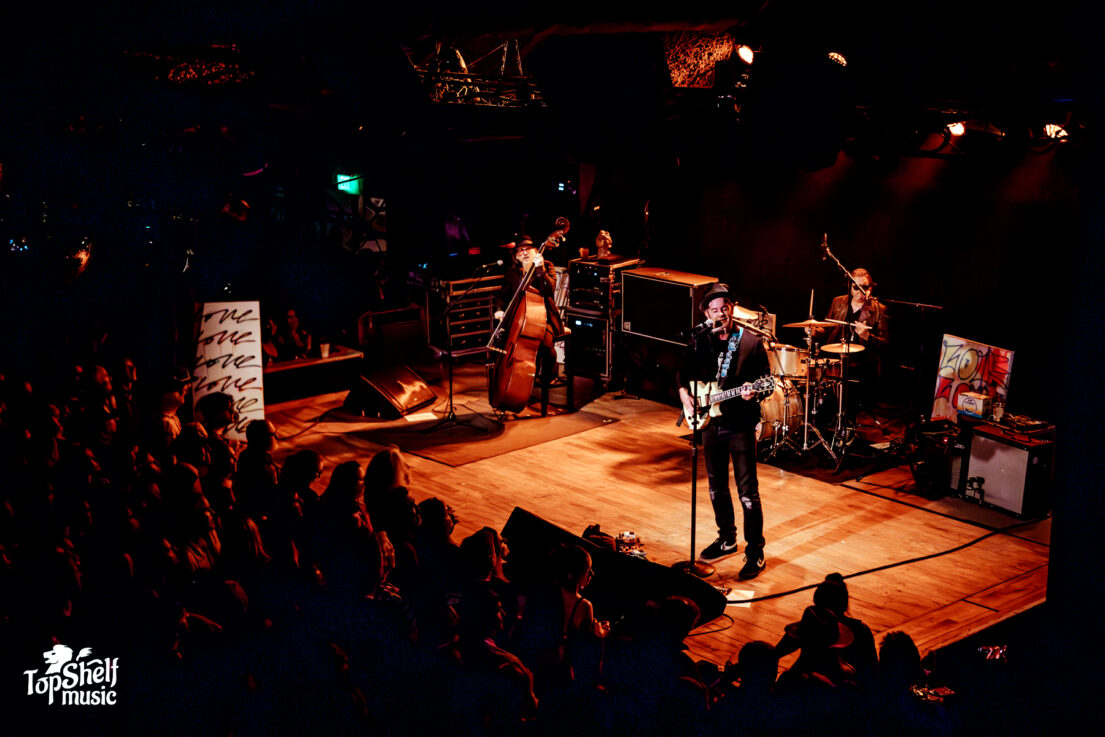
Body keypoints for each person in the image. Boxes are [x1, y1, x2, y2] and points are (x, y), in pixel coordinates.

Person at [676, 283, 772, 579]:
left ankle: (755, 552)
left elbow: (767, 381)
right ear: (706, 314)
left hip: (740, 423)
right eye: (714, 310)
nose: (720, 314)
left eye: (724, 308)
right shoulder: (700, 340)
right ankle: (727, 538)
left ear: (732, 309)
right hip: (709, 422)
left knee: (748, 492)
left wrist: (753, 391)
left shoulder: (750, 342)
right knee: (716, 486)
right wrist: (684, 394)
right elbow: (682, 373)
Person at [492, 235, 568, 412]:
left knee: (546, 347)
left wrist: (540, 270)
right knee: (504, 344)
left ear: (535, 250)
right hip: (518, 319)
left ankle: (546, 381)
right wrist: (499, 309)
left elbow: (549, 290)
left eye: (527, 249)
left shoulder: (547, 266)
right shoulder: (512, 272)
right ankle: (515, 385)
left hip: (543, 317)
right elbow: (502, 295)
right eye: (520, 251)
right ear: (516, 256)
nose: (524, 253)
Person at [809, 267, 889, 421]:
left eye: (865, 287)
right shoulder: (838, 302)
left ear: (871, 288)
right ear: (849, 287)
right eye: (856, 287)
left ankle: (847, 423)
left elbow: (885, 344)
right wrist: (814, 331)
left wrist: (868, 337)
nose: (861, 291)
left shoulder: (879, 310)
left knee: (848, 398)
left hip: (861, 363)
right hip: (835, 357)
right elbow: (827, 329)